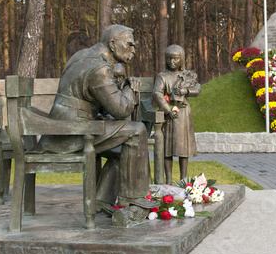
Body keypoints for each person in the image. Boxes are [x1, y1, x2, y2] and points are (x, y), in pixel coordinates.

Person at [37, 25, 159, 214]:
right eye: (129, 44)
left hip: (65, 128)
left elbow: (93, 97)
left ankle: (101, 200)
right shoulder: (99, 68)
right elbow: (120, 109)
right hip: (71, 134)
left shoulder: (82, 55)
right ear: (112, 44)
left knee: (122, 148)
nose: (133, 50)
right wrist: (129, 87)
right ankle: (134, 199)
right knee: (137, 130)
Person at [152, 45, 201, 184]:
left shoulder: (187, 75)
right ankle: (168, 179)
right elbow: (157, 93)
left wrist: (187, 92)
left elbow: (197, 88)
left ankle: (183, 179)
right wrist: (167, 109)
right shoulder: (163, 76)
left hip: (184, 112)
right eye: (169, 59)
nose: (171, 62)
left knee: (183, 148)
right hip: (170, 113)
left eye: (175, 59)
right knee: (168, 148)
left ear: (181, 59)